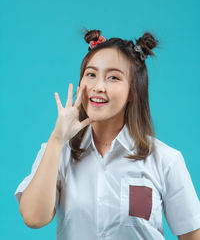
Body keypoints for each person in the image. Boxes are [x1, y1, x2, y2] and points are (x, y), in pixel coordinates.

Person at [15, 29, 200, 240]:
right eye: (91, 74)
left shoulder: (165, 160)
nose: (98, 87)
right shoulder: (58, 152)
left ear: (133, 90)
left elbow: (193, 235)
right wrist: (57, 139)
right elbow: (33, 218)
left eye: (113, 77)